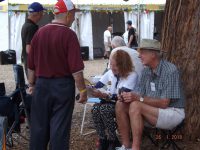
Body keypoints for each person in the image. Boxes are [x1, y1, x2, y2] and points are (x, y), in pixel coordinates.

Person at [27, 0, 87, 149]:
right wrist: (83, 91)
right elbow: (76, 70)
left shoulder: (39, 32)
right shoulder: (69, 34)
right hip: (62, 86)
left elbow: (31, 65)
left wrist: (31, 84)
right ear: (67, 14)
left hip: (41, 85)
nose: (74, 18)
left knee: (39, 128)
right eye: (73, 14)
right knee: (59, 128)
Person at [115, 39, 185, 150]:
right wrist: (127, 97)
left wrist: (137, 98)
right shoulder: (146, 71)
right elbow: (140, 95)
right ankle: (126, 146)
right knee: (120, 104)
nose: (139, 56)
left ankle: (135, 148)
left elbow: (164, 103)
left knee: (136, 105)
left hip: (173, 111)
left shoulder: (170, 71)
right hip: (151, 110)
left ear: (153, 54)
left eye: (142, 53)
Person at [91, 50, 138, 150]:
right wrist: (90, 89)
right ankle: (103, 139)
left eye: (114, 65)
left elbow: (121, 97)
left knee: (105, 109)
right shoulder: (111, 72)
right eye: (110, 64)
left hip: (124, 105)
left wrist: (104, 95)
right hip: (110, 102)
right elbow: (98, 85)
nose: (112, 67)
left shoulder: (132, 75)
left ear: (123, 65)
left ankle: (113, 140)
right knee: (95, 109)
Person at [21, 2, 45, 77]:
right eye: (42, 13)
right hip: (33, 66)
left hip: (28, 63)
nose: (42, 15)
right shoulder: (32, 27)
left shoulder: (26, 25)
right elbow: (29, 49)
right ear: (37, 13)